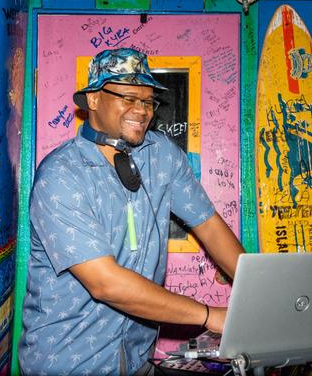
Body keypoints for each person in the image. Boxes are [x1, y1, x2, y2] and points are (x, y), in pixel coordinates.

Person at [19, 47, 245, 376]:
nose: (142, 110)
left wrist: (255, 294)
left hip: (138, 358)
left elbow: (209, 226)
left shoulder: (163, 155)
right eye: (128, 97)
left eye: (148, 100)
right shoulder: (62, 174)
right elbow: (105, 283)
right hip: (70, 361)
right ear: (93, 98)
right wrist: (210, 315)